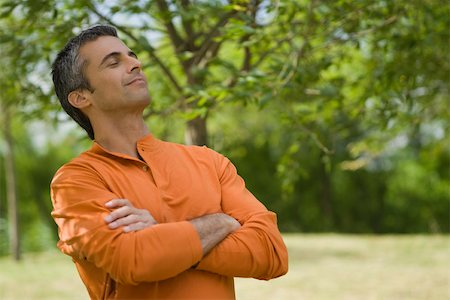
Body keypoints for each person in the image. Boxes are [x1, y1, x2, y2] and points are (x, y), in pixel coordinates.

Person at [50, 24, 288, 300]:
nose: (135, 64)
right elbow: (134, 260)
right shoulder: (76, 181)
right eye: (113, 62)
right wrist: (222, 222)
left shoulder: (209, 162)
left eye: (132, 56)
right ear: (81, 97)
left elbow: (271, 252)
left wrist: (161, 233)